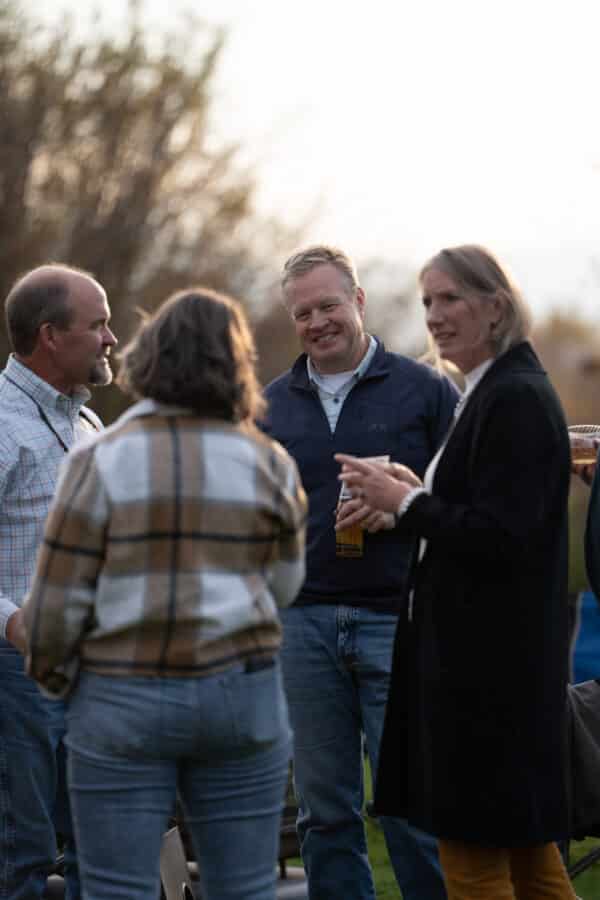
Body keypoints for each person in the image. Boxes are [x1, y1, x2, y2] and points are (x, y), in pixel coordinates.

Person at [23, 287, 308, 900]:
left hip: (122, 697)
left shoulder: (98, 460)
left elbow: (55, 607)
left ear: (149, 358)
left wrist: (60, 685)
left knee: (118, 888)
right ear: (235, 363)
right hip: (241, 694)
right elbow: (285, 585)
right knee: (246, 888)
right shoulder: (270, 463)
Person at [337, 244, 576, 900]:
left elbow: (506, 538)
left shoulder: (515, 397)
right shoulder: (491, 391)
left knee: (472, 866)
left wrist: (407, 503)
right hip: (489, 673)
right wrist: (413, 498)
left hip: (485, 681)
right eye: (427, 302)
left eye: (450, 298)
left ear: (496, 306)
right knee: (533, 866)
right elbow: (487, 511)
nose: (434, 316)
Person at [262, 244, 458, 900]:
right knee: (324, 814)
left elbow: (465, 502)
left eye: (328, 305)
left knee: (413, 808)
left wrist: (404, 505)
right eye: (302, 313)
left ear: (359, 302)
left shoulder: (426, 389)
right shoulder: (268, 407)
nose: (317, 322)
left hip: (398, 619)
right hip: (304, 624)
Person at [0, 263, 116, 900]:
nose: (110, 338)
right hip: (14, 672)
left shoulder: (89, 426)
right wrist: (13, 623)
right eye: (97, 324)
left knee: (98, 852)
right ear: (51, 335)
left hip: (92, 669)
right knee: (21, 861)